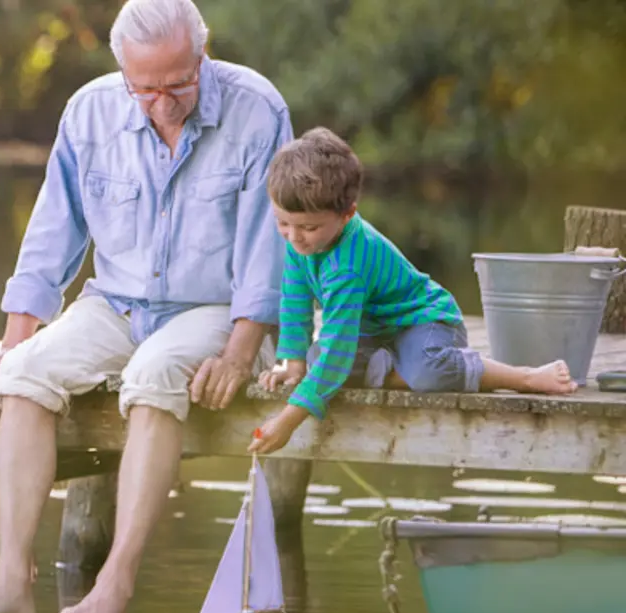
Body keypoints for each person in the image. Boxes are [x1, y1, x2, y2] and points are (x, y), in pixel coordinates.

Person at [0, 0, 291, 613]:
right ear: (123, 71)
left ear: (203, 55)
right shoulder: (90, 111)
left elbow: (266, 250)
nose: (161, 103)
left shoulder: (257, 110)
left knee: (153, 374)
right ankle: (11, 582)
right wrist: (14, 341)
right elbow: (52, 236)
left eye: (178, 84)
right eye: (145, 89)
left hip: (213, 310)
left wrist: (241, 352)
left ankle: (115, 584)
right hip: (117, 303)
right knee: (24, 374)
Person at [246, 127, 578, 454]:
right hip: (372, 332)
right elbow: (295, 302)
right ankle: (400, 364)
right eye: (282, 223)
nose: (294, 237)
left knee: (426, 372)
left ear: (347, 215)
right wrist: (292, 364)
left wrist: (287, 420)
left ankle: (524, 377)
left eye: (308, 227)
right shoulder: (301, 243)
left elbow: (337, 351)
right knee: (317, 359)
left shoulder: (347, 267)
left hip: (424, 321)